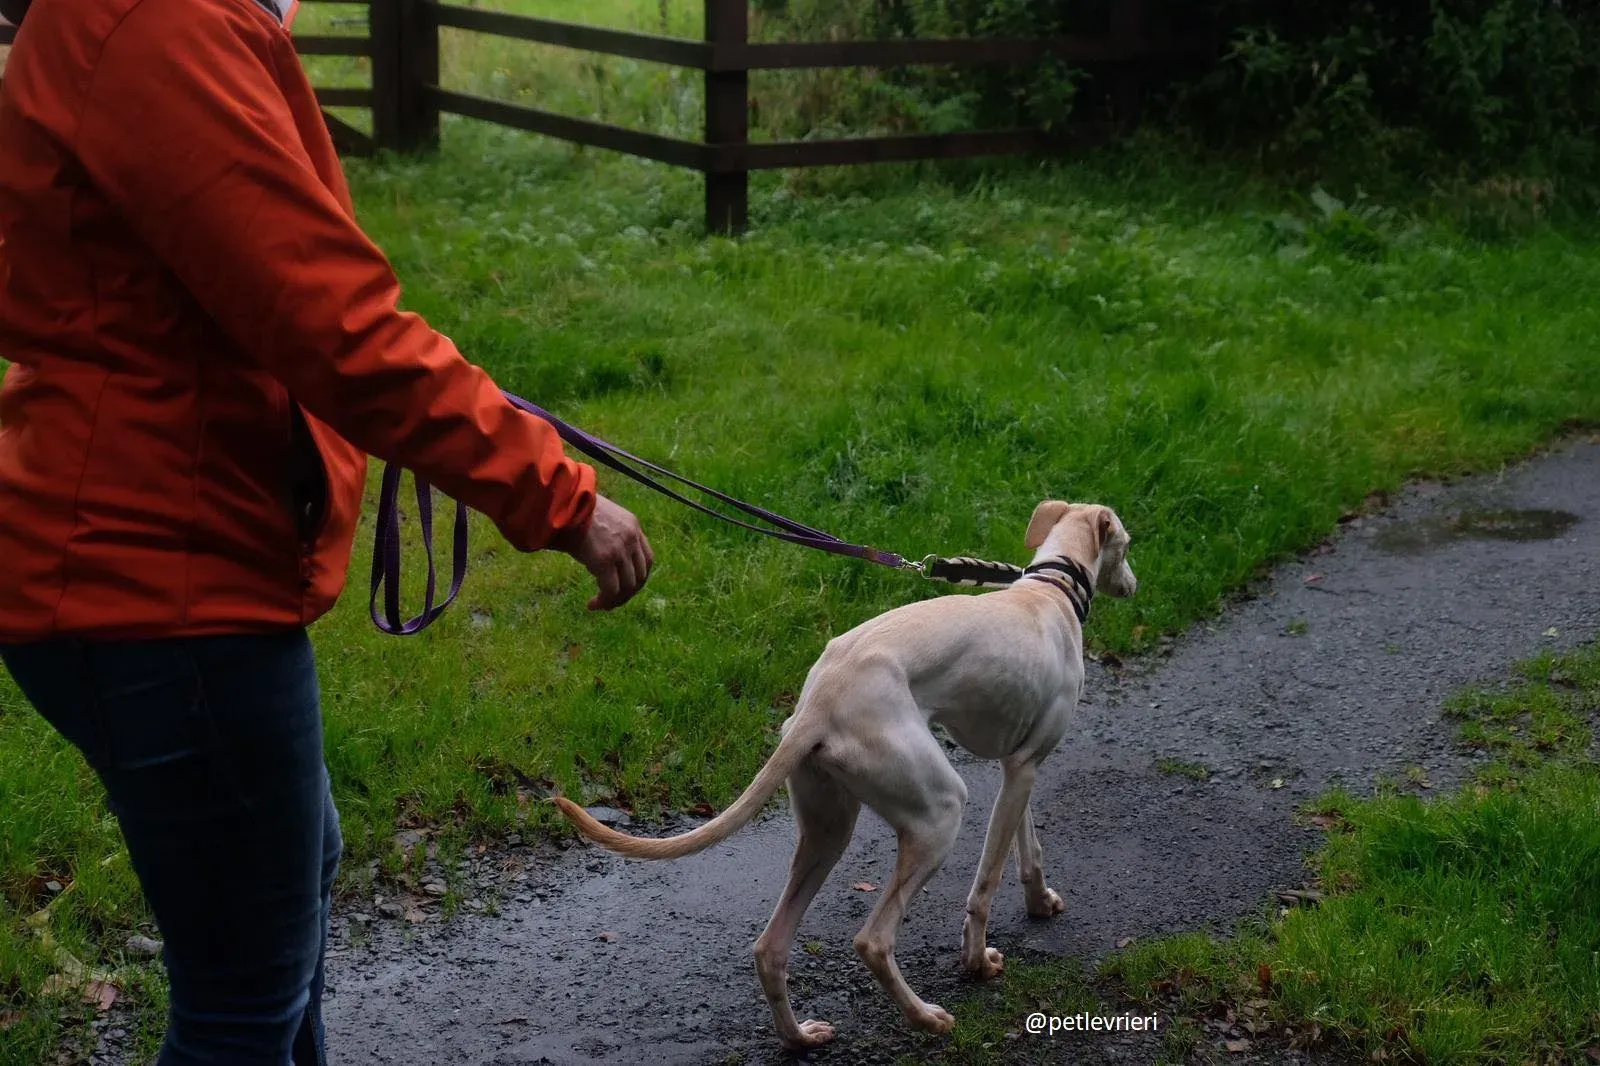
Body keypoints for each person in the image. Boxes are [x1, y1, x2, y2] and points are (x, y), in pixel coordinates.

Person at [0, 0, 654, 1061]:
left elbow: (264, 296)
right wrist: (554, 491)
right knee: (241, 1000)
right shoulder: (154, 23)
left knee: (276, 922)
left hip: (161, 557)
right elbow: (329, 318)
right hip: (157, 577)